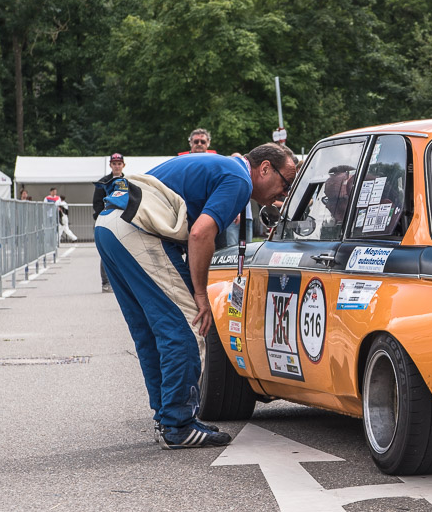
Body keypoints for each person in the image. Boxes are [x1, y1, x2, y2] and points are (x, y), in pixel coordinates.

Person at [94, 143, 296, 449]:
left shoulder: (223, 167)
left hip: (110, 225)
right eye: (286, 183)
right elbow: (201, 234)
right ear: (265, 168)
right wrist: (200, 294)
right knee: (187, 327)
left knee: (151, 331)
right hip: (138, 229)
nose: (284, 193)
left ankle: (167, 417)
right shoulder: (240, 179)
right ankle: (179, 423)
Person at [92, 153, 129, 293]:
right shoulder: (103, 182)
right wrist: (102, 217)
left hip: (123, 220)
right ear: (110, 165)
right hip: (107, 220)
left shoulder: (127, 181)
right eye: (114, 163)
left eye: (119, 163)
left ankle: (123, 283)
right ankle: (106, 282)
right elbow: (97, 203)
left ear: (123, 165)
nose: (117, 166)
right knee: (106, 253)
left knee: (124, 252)